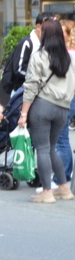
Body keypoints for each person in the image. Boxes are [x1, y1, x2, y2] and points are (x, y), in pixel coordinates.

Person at [18, 19, 75, 203]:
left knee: (42, 149)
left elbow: (31, 86)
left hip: (43, 106)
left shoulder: (39, 56)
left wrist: (24, 113)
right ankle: (64, 188)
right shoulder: (68, 58)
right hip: (62, 108)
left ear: (45, 34)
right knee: (52, 149)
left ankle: (47, 192)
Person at [3, 11, 53, 96]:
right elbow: (19, 69)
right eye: (47, 28)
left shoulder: (49, 44)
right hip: (22, 91)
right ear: (38, 26)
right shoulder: (27, 43)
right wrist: (38, 77)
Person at [56, 19, 75, 182]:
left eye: (61, 32)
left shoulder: (68, 54)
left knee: (61, 140)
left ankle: (61, 178)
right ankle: (66, 173)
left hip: (68, 97)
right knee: (62, 139)